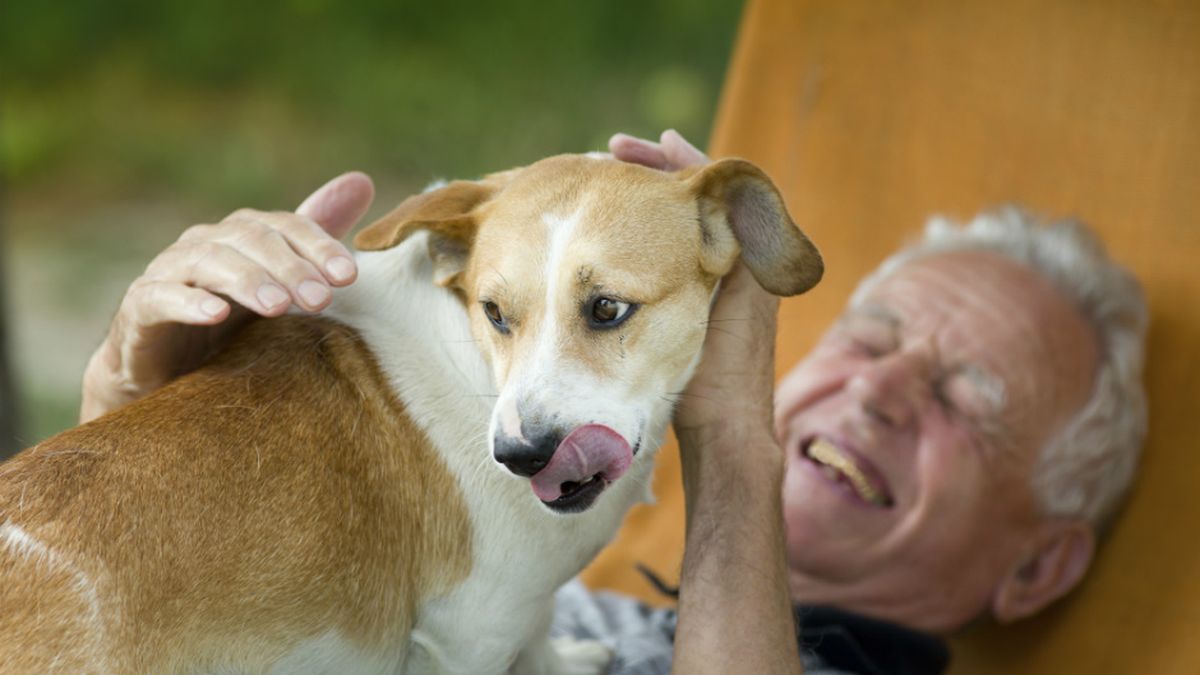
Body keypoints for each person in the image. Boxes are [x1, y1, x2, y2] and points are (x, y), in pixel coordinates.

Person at [79, 131, 1148, 674]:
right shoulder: (552, 581)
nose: (875, 390)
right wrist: (134, 407)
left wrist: (733, 438)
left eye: (967, 397)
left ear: (1037, 565)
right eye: (871, 339)